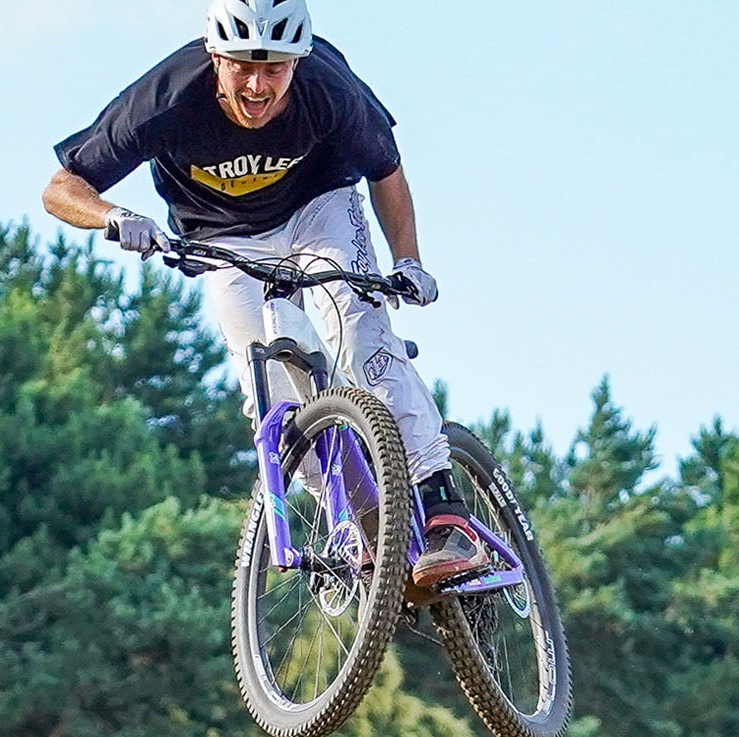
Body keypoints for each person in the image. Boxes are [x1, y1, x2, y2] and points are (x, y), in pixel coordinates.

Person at [42, 0, 487, 583]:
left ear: (297, 62)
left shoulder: (328, 87)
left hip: (318, 209)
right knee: (272, 400)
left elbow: (386, 172)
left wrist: (409, 261)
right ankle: (370, 519)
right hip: (225, 240)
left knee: (357, 329)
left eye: (275, 68)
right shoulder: (167, 98)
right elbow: (61, 188)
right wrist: (112, 215)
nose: (257, 85)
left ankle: (443, 508)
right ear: (215, 56)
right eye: (242, 67)